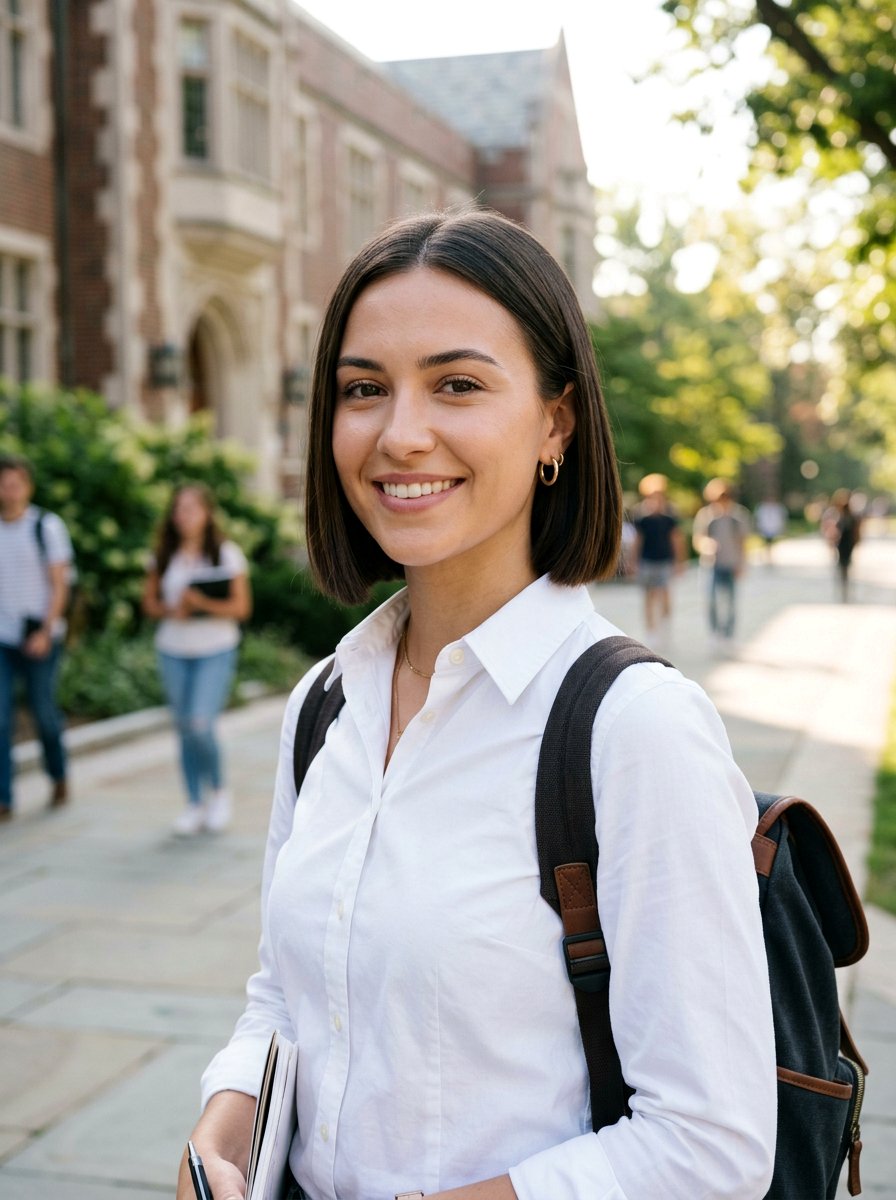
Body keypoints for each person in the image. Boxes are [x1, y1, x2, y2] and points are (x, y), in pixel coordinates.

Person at [177, 210, 776, 1200]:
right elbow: (286, 994)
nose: (398, 432)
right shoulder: (324, 705)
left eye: (455, 384)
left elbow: (709, 1144)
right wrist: (226, 1119)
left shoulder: (633, 730)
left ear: (556, 422)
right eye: (363, 389)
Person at [142, 484, 252, 835]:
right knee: (184, 730)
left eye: (192, 508)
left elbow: (241, 608)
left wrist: (200, 603)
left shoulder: (226, 554)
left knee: (200, 724)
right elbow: (149, 605)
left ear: (207, 513)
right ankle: (194, 802)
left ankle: (219, 792)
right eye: (179, 508)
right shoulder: (163, 555)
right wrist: (171, 609)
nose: (184, 515)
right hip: (173, 650)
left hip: (215, 650)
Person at [0, 454, 73, 820]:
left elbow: (60, 584)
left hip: (42, 637)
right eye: (4, 483)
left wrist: (46, 630)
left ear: (27, 486)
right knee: (0, 718)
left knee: (44, 713)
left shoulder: (46, 526)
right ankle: (4, 798)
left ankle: (58, 775)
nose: (9, 491)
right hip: (3, 639)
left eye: (16, 483)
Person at [692, 478, 752, 644]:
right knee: (710, 600)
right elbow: (698, 538)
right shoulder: (706, 515)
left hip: (731, 564)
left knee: (731, 602)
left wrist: (742, 564)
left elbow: (743, 543)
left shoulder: (739, 516)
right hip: (712, 565)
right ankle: (714, 633)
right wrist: (706, 545)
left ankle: (728, 634)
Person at [631, 472, 685, 642]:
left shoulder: (670, 514)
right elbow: (637, 540)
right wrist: (632, 561)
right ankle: (650, 630)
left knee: (665, 594)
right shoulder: (641, 515)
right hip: (647, 560)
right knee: (648, 596)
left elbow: (676, 538)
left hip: (664, 560)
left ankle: (665, 626)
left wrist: (679, 560)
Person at [823, 488, 862, 602]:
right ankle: (843, 586)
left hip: (848, 544)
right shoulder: (836, 514)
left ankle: (845, 586)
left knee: (845, 565)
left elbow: (856, 530)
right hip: (840, 544)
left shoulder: (852, 516)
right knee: (842, 565)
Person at [753, 496, 788, 563]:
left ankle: (768, 555)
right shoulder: (762, 507)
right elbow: (758, 518)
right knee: (766, 542)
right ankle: (766, 555)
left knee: (770, 543)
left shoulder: (777, 507)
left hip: (772, 528)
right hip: (764, 528)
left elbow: (781, 518)